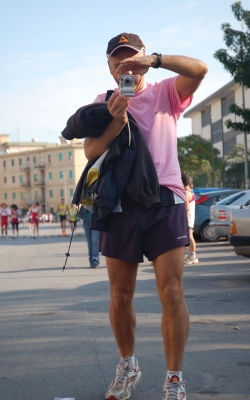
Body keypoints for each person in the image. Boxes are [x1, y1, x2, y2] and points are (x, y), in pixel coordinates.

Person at [64, 32, 208, 399]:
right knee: (120, 295)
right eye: (118, 61)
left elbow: (201, 69)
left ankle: (174, 378)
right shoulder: (104, 102)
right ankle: (128, 365)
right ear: (110, 67)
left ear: (142, 58)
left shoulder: (165, 92)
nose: (125, 66)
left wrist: (156, 60)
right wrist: (115, 119)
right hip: (119, 204)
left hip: (165, 200)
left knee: (172, 291)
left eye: (131, 58)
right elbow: (90, 151)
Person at [181, 174, 199, 265]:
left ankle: (193, 256)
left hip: (188, 218)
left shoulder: (185, 193)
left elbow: (187, 208)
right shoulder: (190, 191)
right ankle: (191, 255)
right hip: (191, 217)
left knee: (190, 236)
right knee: (189, 236)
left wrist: (184, 219)